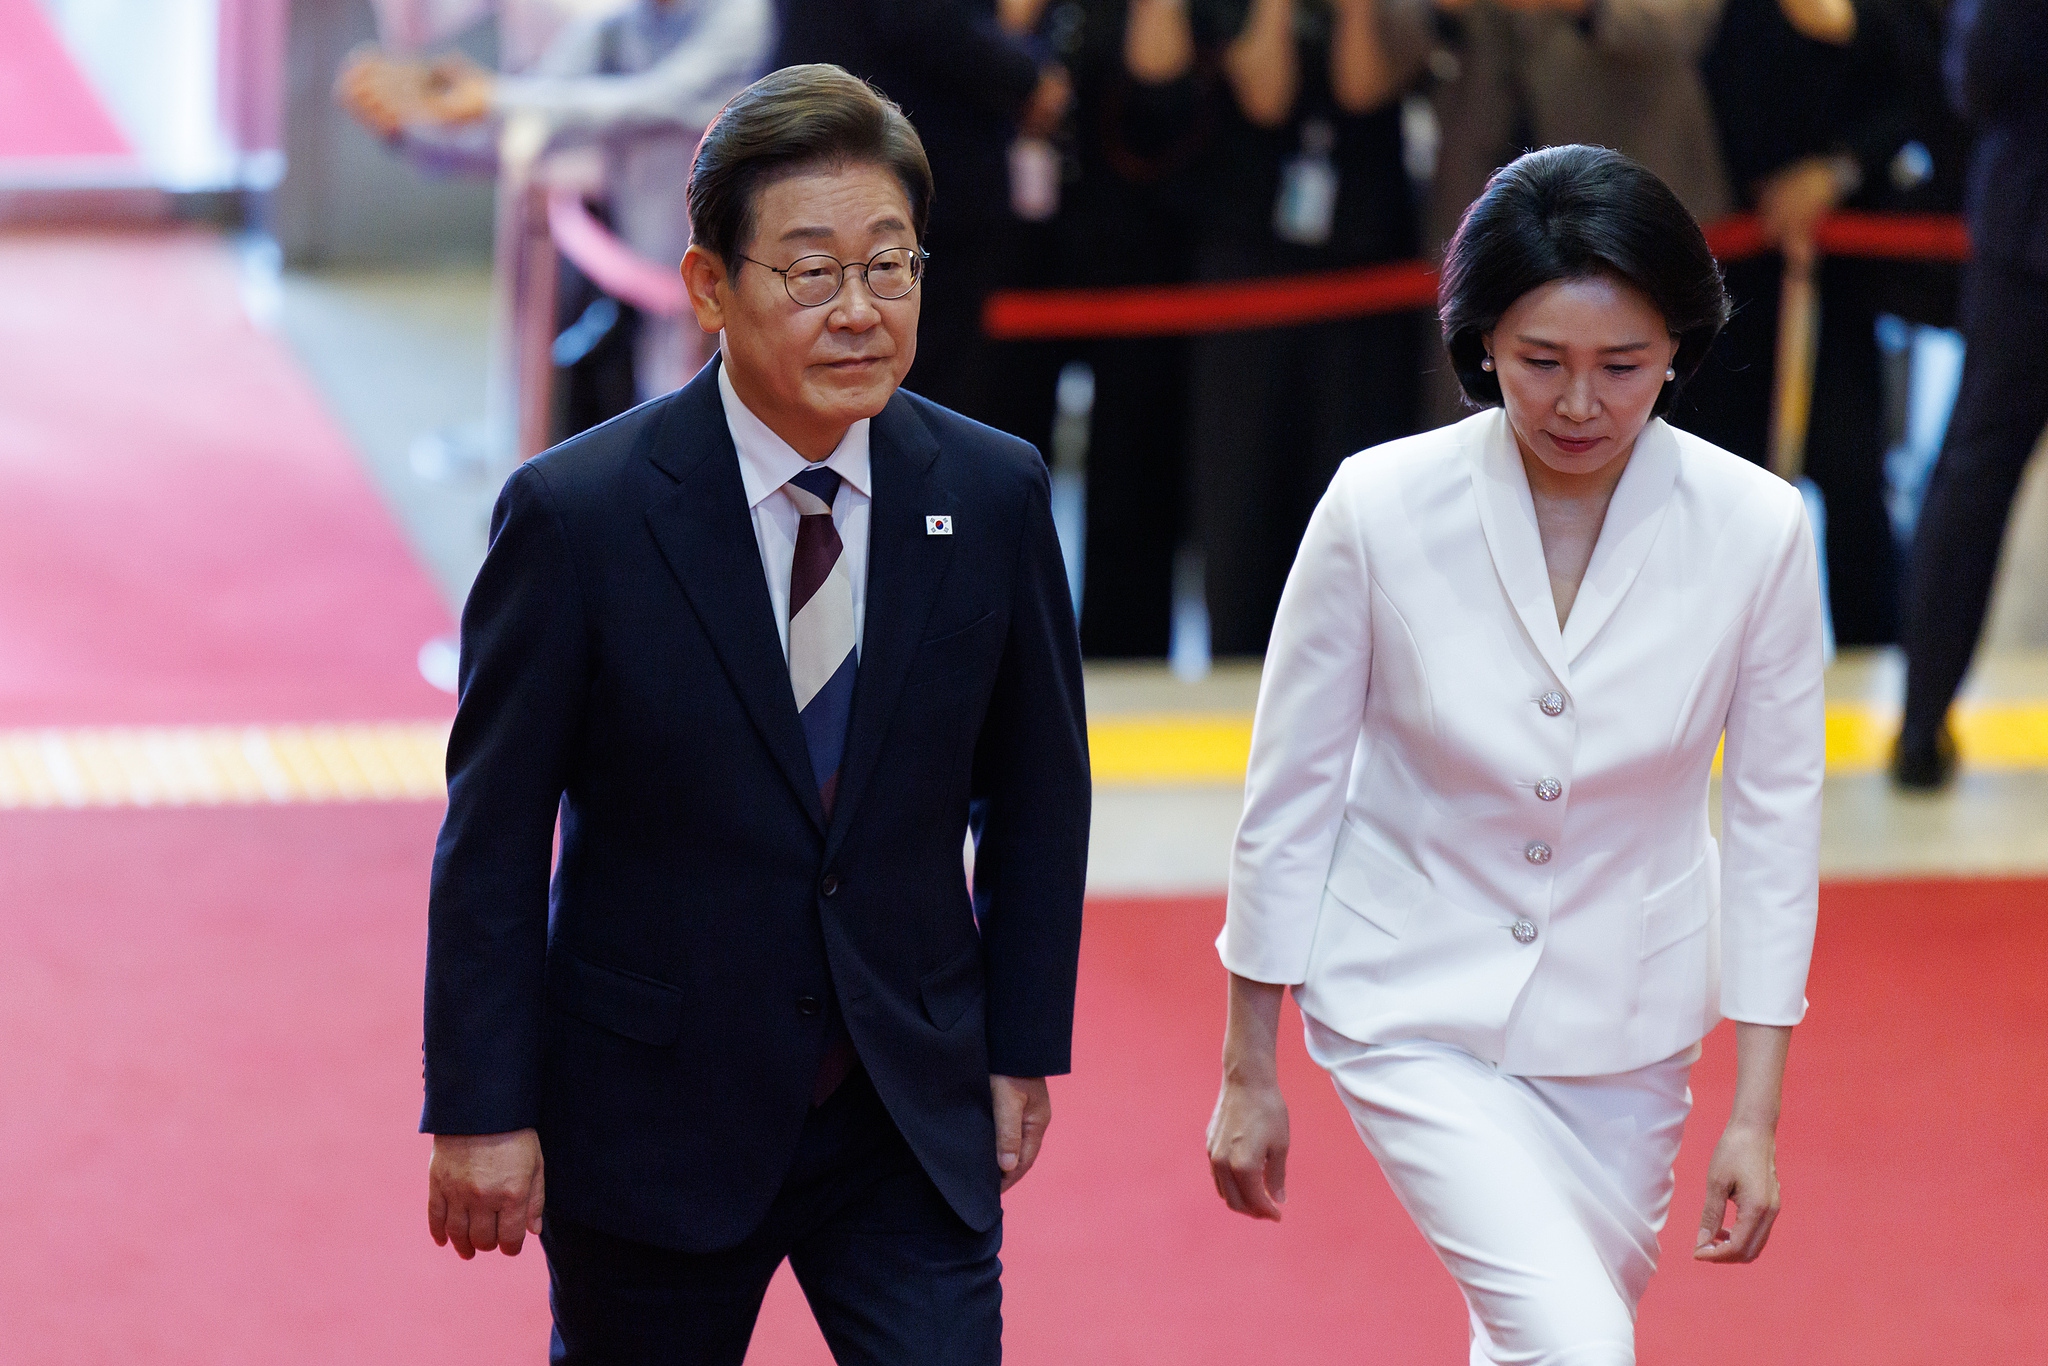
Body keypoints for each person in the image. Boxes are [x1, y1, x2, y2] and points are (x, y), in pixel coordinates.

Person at [421, 64, 1091, 1364]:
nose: (859, 311)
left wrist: (1021, 1042)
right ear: (709, 286)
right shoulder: (582, 516)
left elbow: (1039, 796)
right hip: (657, 1106)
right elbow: (492, 836)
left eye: (889, 267)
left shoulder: (994, 495)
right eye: (810, 272)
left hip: (903, 1096)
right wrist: (481, 1106)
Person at [1206, 146, 1825, 1364]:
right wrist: (1246, 1064)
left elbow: (1770, 825)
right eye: (1540, 363)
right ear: (1480, 342)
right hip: (1405, 1005)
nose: (1579, 404)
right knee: (1577, 1347)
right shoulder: (1375, 507)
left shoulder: (1755, 529)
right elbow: (1286, 793)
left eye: (1622, 367)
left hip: (1632, 1032)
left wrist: (1755, 1111)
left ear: (1677, 353)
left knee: (1531, 1345)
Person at [1682, 0, 1963, 646]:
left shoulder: (1880, 19)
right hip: (1740, 274)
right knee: (1734, 475)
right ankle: (1723, 654)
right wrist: (1774, 193)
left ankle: (1873, 652)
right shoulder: (1739, 20)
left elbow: (1917, 100)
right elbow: (1719, 105)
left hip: (1844, 276)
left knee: (1853, 471)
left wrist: (1835, 174)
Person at [338, 0, 774, 401]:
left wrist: (495, 97)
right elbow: (523, 131)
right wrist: (409, 125)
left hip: (735, 292)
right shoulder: (614, 26)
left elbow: (665, 100)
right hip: (641, 284)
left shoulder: (740, 16)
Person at [1185, 0, 1430, 657]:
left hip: (1364, 265)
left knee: (1350, 476)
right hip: (1248, 265)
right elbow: (1264, 92)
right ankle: (1236, 666)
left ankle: (1353, 669)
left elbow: (1362, 85)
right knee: (1241, 489)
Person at [772, 1, 1073, 428]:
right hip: (912, 183)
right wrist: (1028, 79)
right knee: (916, 399)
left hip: (831, 160)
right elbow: (929, 19)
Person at [1894, 0, 2048, 788]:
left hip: (2026, 230)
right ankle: (1920, 720)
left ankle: (1921, 722)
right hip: (2025, 229)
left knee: (1974, 477)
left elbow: (1979, 72)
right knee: (1973, 481)